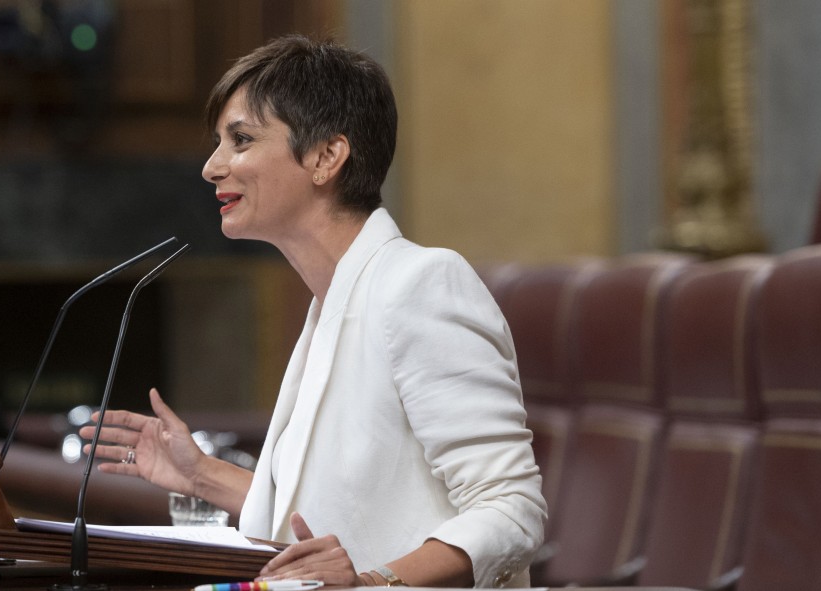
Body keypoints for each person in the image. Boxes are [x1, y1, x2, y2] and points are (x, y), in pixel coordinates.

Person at [80, 34, 546, 588]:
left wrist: (375, 582)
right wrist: (199, 474)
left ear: (327, 156)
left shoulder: (421, 284)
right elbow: (332, 511)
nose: (212, 166)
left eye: (241, 140)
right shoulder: (333, 300)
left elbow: (513, 508)